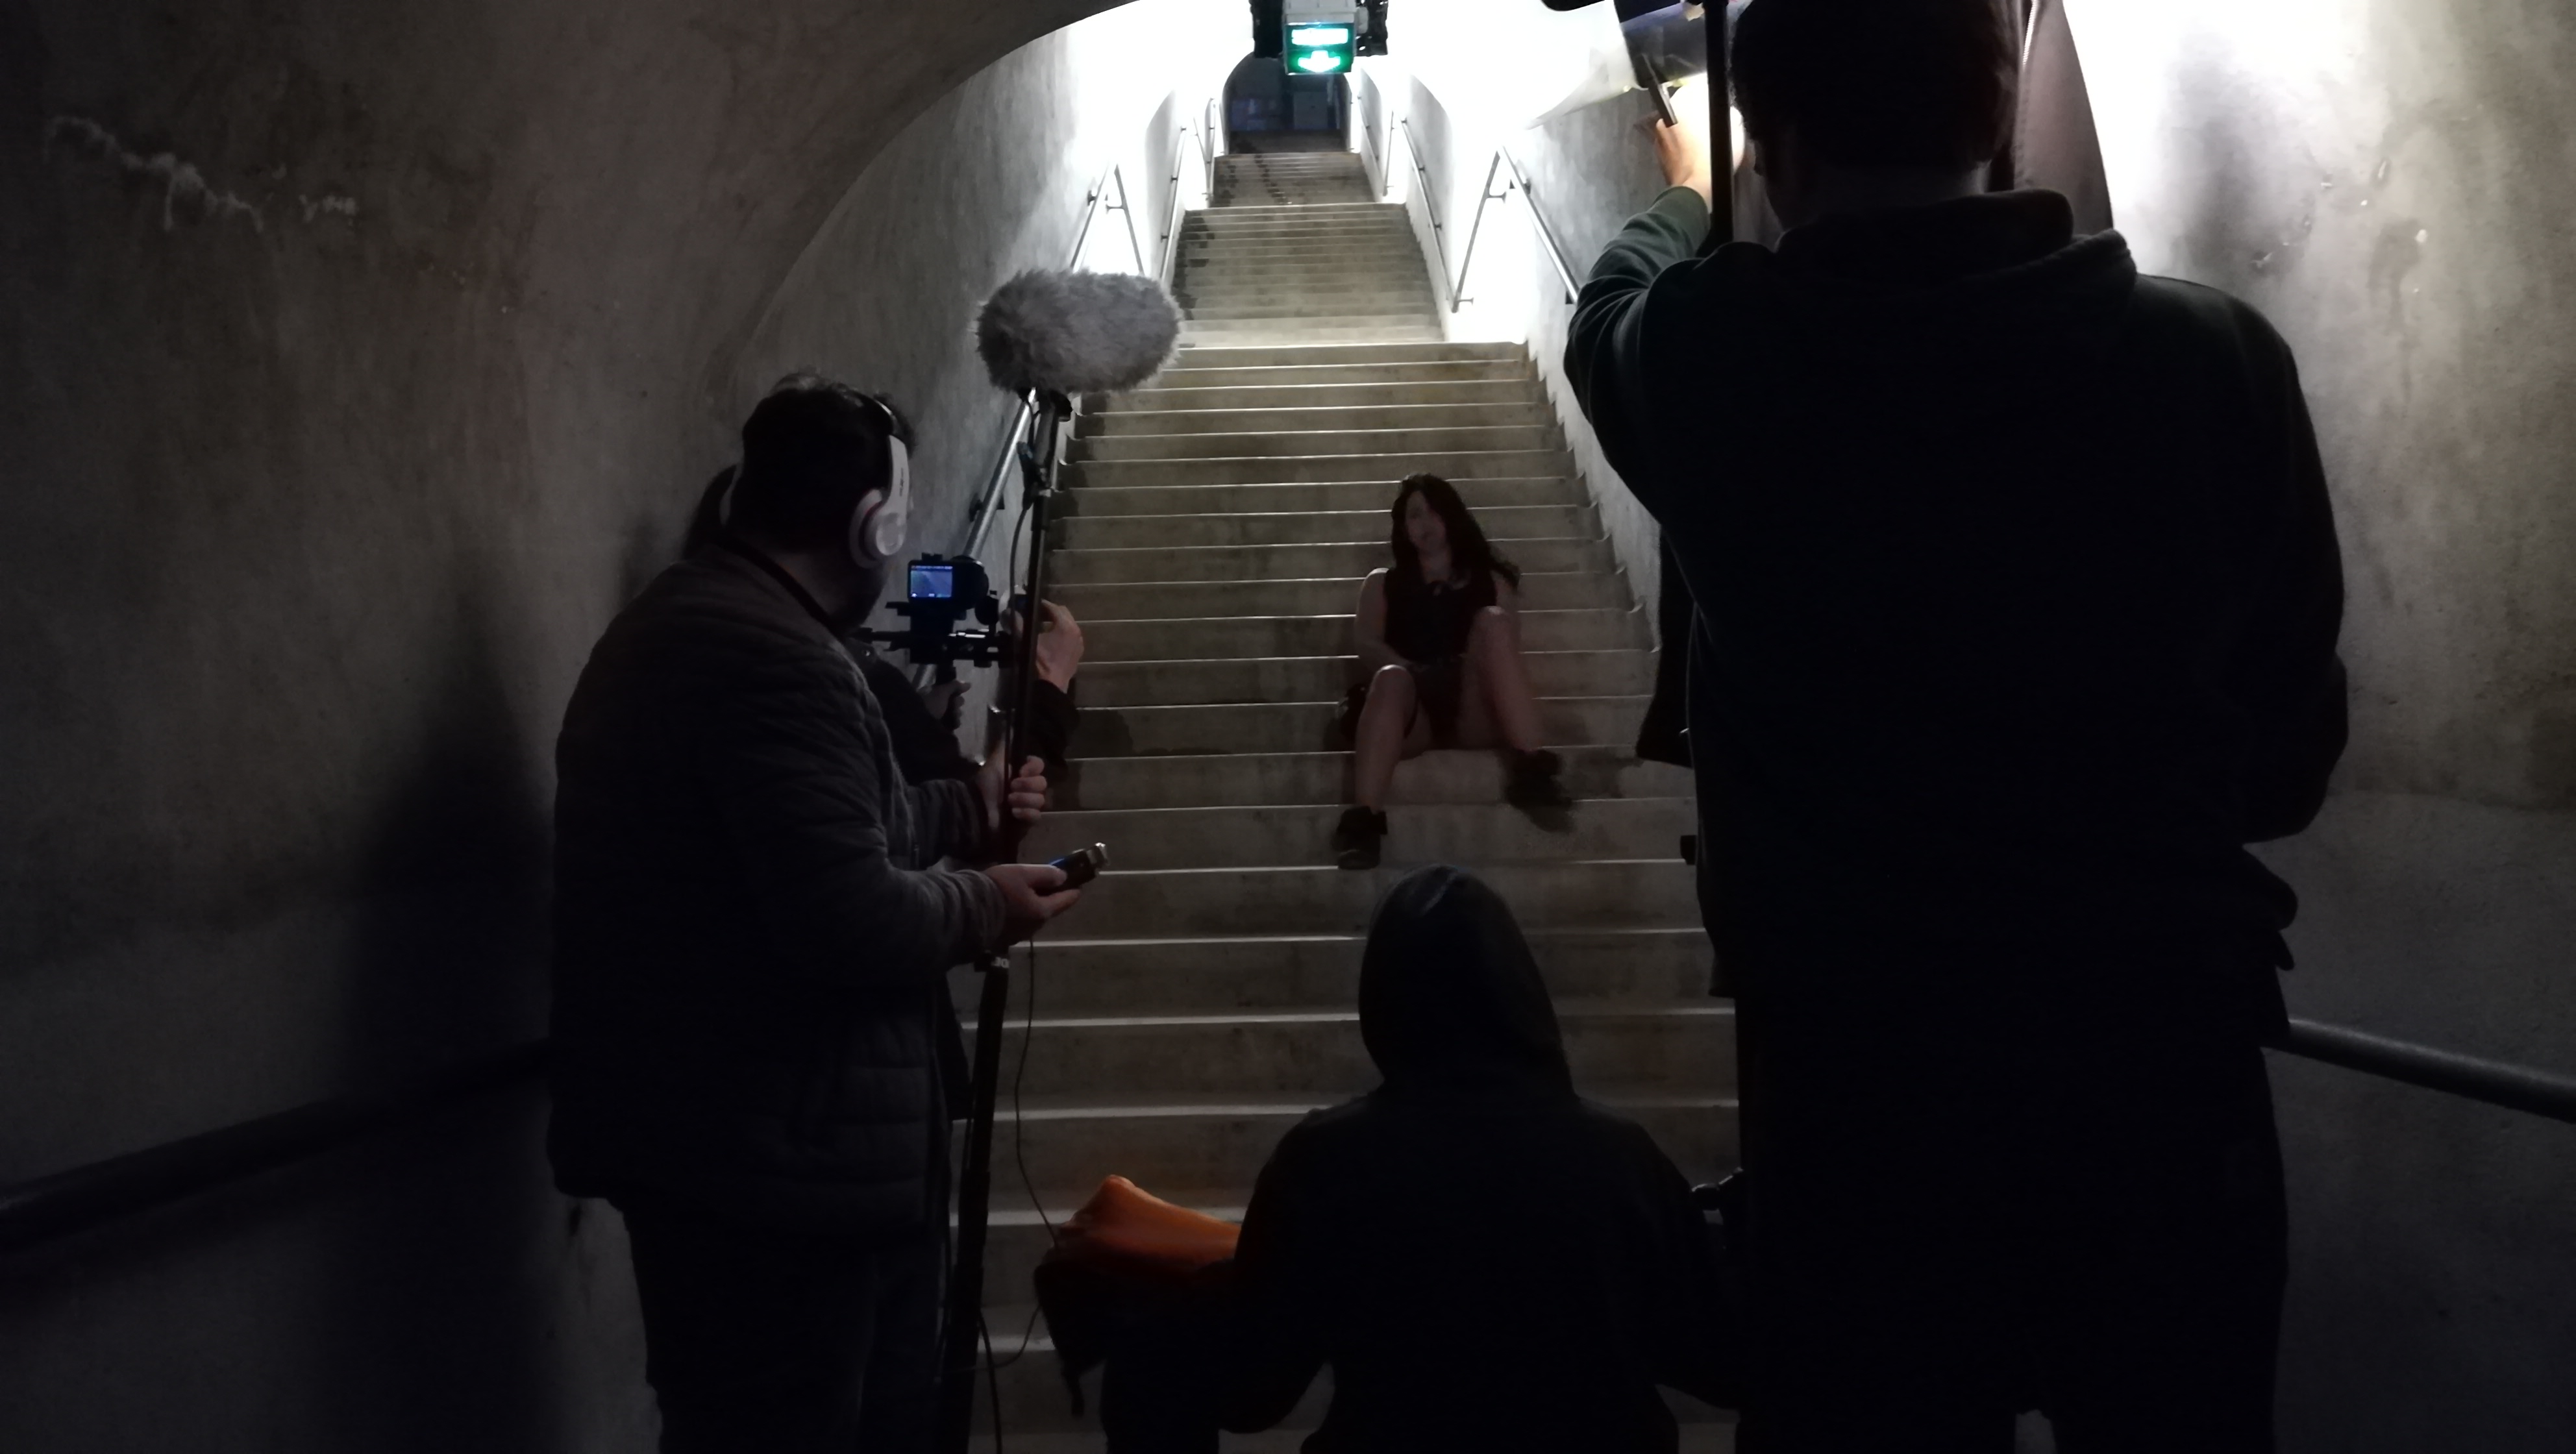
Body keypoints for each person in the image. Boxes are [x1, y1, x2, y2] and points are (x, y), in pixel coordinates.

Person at [1563, 2, 2348, 1449]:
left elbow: (1604, 309)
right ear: (1995, 117)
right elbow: (2286, 760)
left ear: (1779, 149)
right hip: (2160, 1058)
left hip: (1861, 1091)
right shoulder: (2213, 360)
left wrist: (1686, 189)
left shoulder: (1713, 361)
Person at [548, 374, 1084, 1453]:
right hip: (777, 1182)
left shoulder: (695, 625)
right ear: (872, 522)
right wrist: (986, 903)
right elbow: (847, 915)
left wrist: (965, 808)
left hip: (747, 1157)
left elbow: (835, 834)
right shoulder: (775, 659)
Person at [1094, 865, 1737, 1453]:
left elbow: (1255, 1388)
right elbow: (1712, 1357)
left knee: (1150, 1345)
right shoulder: (1620, 1153)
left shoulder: (1327, 1159)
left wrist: (1174, 1303)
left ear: (1384, 1000)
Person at [1333, 474, 1568, 870]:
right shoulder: (1382, 584)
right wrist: (1413, 669)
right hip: (1414, 709)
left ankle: (1533, 769)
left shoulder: (1491, 581)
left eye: (1434, 512)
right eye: (1414, 515)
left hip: (1472, 707)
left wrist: (1458, 668)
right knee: (1389, 676)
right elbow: (1367, 644)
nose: (1425, 523)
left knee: (1494, 621)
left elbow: (1504, 652)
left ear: (1452, 517)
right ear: (1403, 527)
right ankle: (1364, 823)